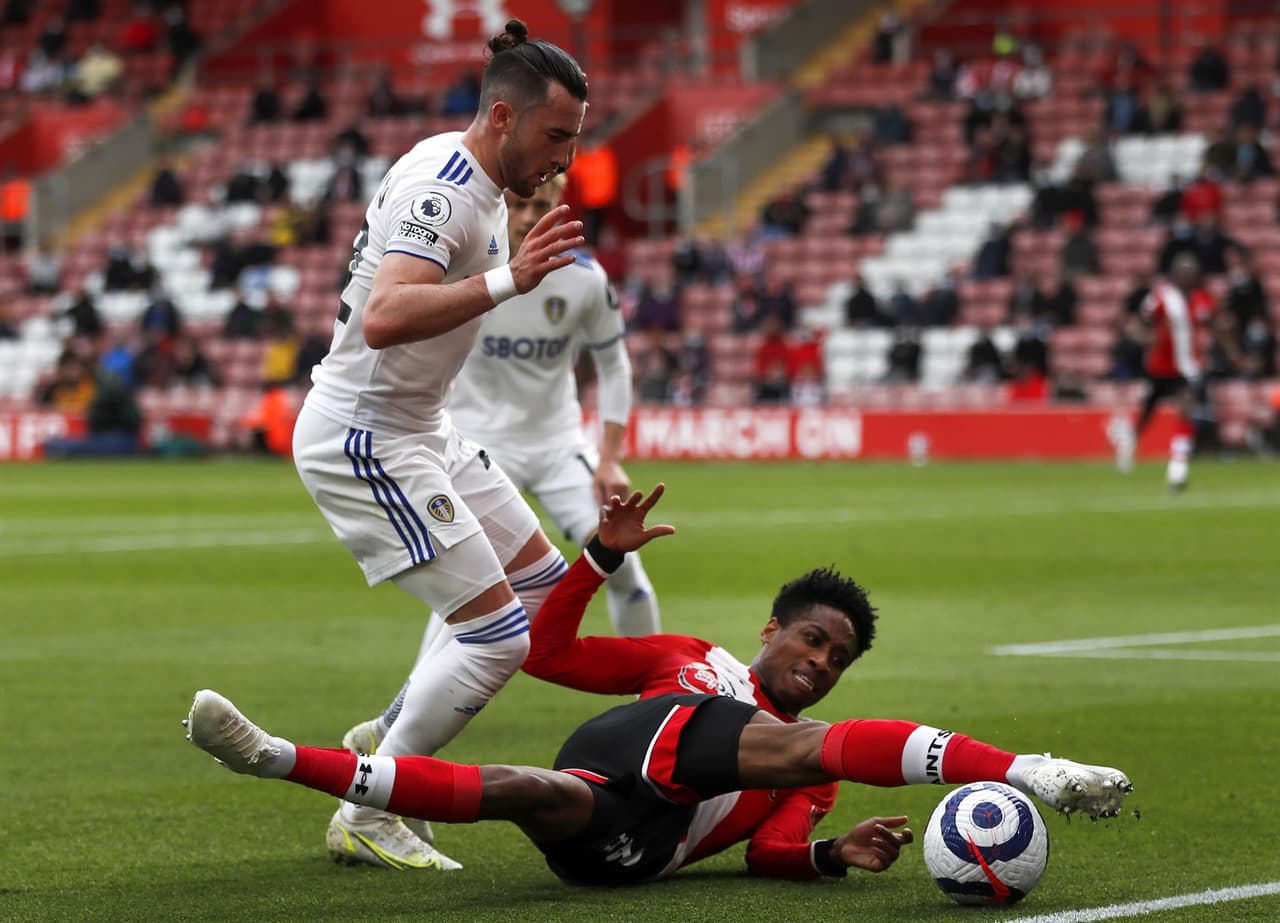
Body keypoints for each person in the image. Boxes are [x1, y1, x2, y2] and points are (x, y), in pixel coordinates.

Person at [185, 486, 1133, 885]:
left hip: (644, 843)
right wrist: (595, 557)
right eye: (812, 639)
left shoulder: (810, 766)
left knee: (773, 736)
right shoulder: (685, 651)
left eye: (837, 658)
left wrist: (829, 853)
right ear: (772, 629)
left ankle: (1030, 769)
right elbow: (547, 652)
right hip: (595, 795)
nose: (819, 662)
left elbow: (770, 855)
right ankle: (274, 758)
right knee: (522, 786)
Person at [289, 19, 588, 871]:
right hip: (367, 437)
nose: (564, 158)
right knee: (498, 637)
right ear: (502, 117)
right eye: (555, 135)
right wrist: (510, 280)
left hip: (424, 426)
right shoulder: (448, 189)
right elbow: (385, 316)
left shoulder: (474, 176)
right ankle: (369, 806)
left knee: (539, 586)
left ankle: (389, 729)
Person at [341, 171, 661, 780]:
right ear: (501, 203)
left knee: (629, 570)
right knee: (467, 591)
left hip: (557, 444)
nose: (528, 214)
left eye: (542, 204)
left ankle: (653, 717)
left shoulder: (585, 279)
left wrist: (611, 454)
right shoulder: (468, 269)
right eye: (519, 202)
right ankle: (398, 723)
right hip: (475, 443)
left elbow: (614, 366)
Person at [1110, 252, 1213, 489]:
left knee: (1186, 409)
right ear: (1175, 275)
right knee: (1147, 413)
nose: (1188, 277)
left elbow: (1213, 326)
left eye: (1191, 273)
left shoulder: (1202, 299)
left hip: (1187, 369)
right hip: (1158, 368)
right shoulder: (1162, 298)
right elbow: (1137, 320)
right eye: (1183, 273)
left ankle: (1178, 468)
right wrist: (1143, 336)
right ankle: (1128, 446)